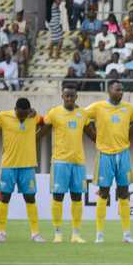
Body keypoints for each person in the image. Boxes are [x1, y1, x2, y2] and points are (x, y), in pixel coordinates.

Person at [84, 79, 133, 243]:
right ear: (109, 91)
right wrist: (93, 136)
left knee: (123, 192)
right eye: (117, 90)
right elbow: (81, 117)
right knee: (103, 192)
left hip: (123, 154)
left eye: (122, 90)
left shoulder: (128, 108)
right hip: (105, 154)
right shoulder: (97, 107)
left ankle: (127, 235)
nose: (120, 93)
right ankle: (99, 234)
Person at [0, 99, 44, 242]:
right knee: (4, 197)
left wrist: (36, 137)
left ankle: (35, 233)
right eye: (20, 114)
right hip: (8, 165)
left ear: (29, 111)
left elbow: (45, 122)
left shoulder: (33, 117)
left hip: (28, 165)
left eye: (25, 114)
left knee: (30, 198)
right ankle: (1, 233)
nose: (23, 117)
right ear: (15, 109)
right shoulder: (3, 116)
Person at [42, 83, 88, 243]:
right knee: (58, 197)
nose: (69, 98)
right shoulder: (54, 113)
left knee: (77, 197)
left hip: (78, 162)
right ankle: (58, 233)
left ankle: (76, 234)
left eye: (72, 96)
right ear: (62, 96)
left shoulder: (82, 114)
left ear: (76, 97)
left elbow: (93, 134)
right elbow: (42, 130)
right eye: (66, 95)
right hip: (60, 161)